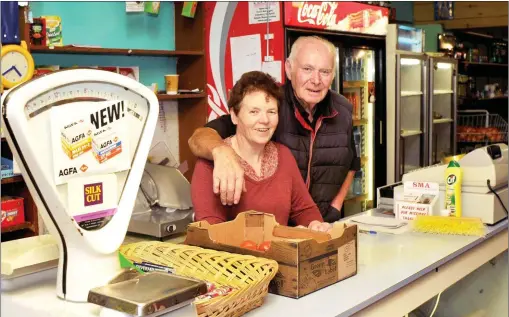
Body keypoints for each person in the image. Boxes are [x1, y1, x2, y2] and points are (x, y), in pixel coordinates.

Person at [189, 35, 360, 223]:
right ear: (289, 68)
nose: (316, 80)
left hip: (318, 224)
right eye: (307, 69)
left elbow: (351, 160)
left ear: (333, 74)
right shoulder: (269, 99)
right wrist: (221, 151)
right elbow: (200, 137)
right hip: (279, 234)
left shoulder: (343, 109)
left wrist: (335, 206)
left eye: (325, 71)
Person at [191, 71, 331, 232]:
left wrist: (315, 225)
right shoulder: (210, 164)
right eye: (254, 112)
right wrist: (283, 237)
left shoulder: (284, 155)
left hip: (279, 255)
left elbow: (304, 209)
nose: (264, 120)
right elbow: (211, 232)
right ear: (234, 116)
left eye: (271, 112)